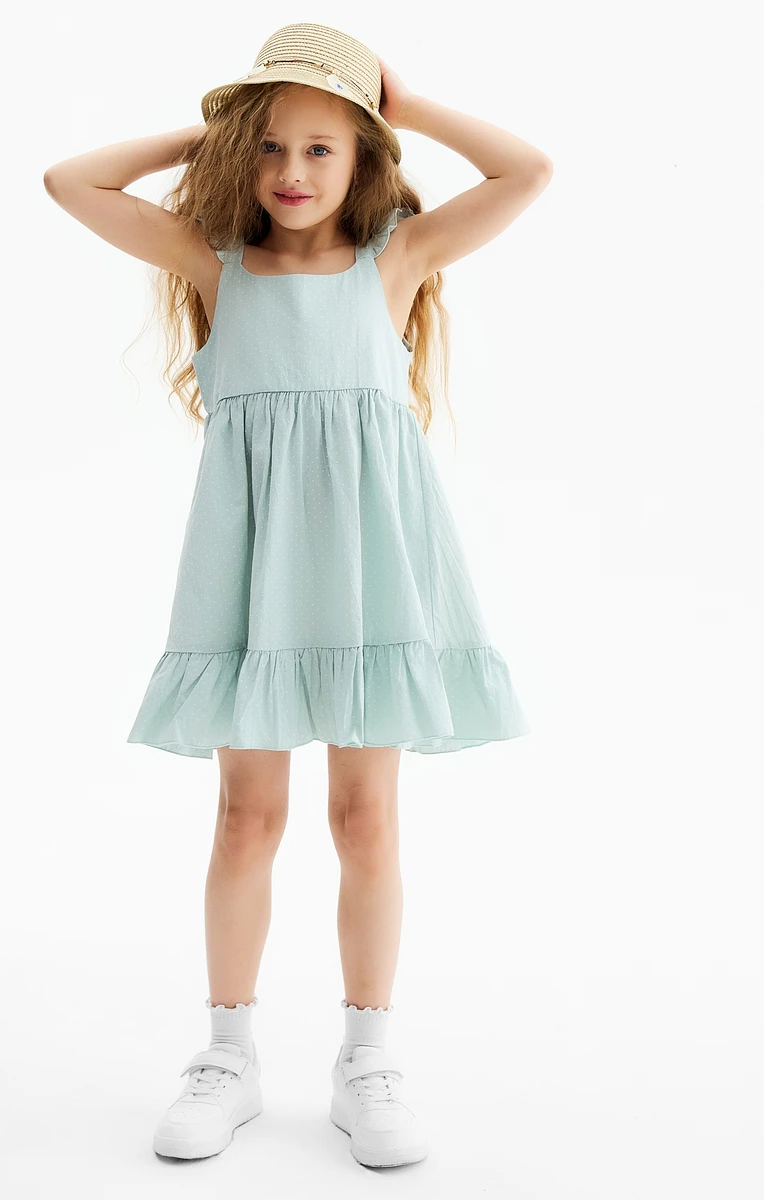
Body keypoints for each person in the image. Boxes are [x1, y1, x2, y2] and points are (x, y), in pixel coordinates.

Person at [44, 21, 551, 1170]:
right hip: (252, 579)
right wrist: (207, 134)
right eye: (270, 146)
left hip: (373, 576)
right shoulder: (215, 265)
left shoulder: (394, 263)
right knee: (246, 818)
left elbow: (527, 172)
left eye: (322, 147)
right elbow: (70, 182)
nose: (291, 171)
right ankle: (227, 1057)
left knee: (365, 819)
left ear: (363, 156)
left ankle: (367, 1060)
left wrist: (407, 108)